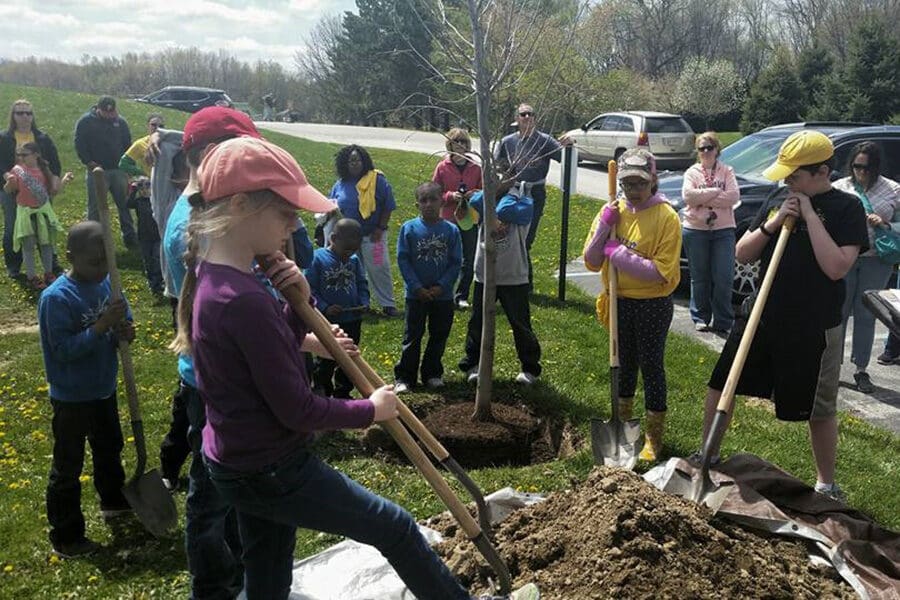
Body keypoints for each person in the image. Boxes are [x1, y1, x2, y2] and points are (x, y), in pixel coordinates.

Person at [174, 136, 538, 600]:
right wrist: (372, 410)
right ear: (242, 205)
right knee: (395, 527)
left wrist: (295, 310)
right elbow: (298, 409)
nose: (293, 226)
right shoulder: (241, 298)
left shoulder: (221, 275)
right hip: (270, 467)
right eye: (285, 214)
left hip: (240, 461)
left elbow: (257, 357)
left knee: (267, 580)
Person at [699, 131, 868, 502]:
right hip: (762, 313)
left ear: (822, 172)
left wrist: (809, 214)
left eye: (795, 175)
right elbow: (743, 254)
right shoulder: (779, 198)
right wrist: (773, 223)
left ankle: (826, 483)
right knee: (722, 383)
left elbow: (837, 267)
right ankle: (706, 454)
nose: (787, 181)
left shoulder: (847, 209)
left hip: (814, 323)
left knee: (819, 407)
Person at [162, 106, 262, 599]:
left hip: (215, 375)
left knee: (226, 490)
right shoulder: (197, 224)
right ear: (209, 158)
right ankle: (214, 588)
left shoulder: (212, 211)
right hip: (214, 381)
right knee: (211, 494)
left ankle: (236, 575)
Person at [39, 221, 135, 558]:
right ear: (71, 257)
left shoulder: (108, 285)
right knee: (68, 463)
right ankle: (66, 534)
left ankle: (113, 501)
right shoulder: (57, 299)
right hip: (72, 396)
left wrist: (124, 330)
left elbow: (124, 322)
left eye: (105, 263)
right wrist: (101, 327)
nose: (101, 270)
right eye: (94, 263)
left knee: (109, 447)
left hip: (102, 388)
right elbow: (63, 351)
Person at [583, 148, 682, 461]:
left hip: (652, 303)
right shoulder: (613, 211)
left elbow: (658, 273)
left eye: (639, 184)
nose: (633, 191)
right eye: (626, 184)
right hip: (619, 301)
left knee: (651, 366)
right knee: (622, 365)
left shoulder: (666, 217)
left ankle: (654, 438)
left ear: (652, 180)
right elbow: (591, 259)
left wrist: (618, 253)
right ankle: (624, 428)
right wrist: (604, 227)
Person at [458, 161, 542, 385]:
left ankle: (530, 368)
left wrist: (498, 197)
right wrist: (490, 194)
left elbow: (506, 210)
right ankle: (473, 363)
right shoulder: (483, 198)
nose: (495, 180)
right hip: (485, 273)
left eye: (501, 176)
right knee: (478, 321)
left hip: (514, 275)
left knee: (520, 323)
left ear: (514, 178)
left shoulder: (525, 200)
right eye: (491, 177)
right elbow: (475, 200)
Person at [833, 142, 900, 393]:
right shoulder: (841, 187)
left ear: (876, 167)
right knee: (838, 312)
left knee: (866, 315)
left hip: (877, 259)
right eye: (856, 166)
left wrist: (884, 224)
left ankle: (861, 370)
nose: (861, 172)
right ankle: (833, 367)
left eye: (866, 167)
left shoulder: (893, 190)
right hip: (845, 255)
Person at [394, 182, 462, 392]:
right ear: (417, 205)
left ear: (442, 200)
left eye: (433, 199)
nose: (429, 204)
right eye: (424, 200)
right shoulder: (409, 228)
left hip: (442, 296)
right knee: (412, 335)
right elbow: (403, 260)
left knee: (439, 334)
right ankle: (405, 377)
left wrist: (442, 286)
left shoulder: (451, 230)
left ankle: (432, 373)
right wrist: (416, 287)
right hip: (416, 296)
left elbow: (455, 262)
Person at [327, 144, 399, 316]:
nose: (355, 163)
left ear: (364, 161)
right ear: (344, 163)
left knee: (379, 267)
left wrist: (380, 228)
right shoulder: (340, 184)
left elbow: (388, 206)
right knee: (353, 270)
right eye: (350, 160)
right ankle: (361, 303)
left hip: (374, 235)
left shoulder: (377, 180)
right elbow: (331, 205)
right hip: (348, 239)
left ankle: (387, 304)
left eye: (358, 160)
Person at [494, 103, 573, 257]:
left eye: (531, 114)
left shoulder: (545, 141)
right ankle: (509, 270)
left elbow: (568, 159)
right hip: (512, 191)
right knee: (508, 233)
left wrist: (570, 147)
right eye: (523, 114)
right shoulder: (507, 141)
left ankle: (524, 275)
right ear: (517, 118)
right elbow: (497, 166)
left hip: (535, 194)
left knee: (527, 237)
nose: (527, 117)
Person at [681, 131, 740, 334]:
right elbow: (688, 196)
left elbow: (733, 196)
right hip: (695, 230)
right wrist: (716, 193)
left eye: (709, 147)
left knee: (724, 276)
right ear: (697, 152)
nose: (706, 152)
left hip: (723, 230)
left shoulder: (727, 171)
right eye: (701, 148)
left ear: (717, 150)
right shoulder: (691, 173)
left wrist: (703, 197)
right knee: (699, 277)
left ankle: (724, 320)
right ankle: (700, 317)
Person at [305, 218, 369, 397]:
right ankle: (322, 389)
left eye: (353, 249)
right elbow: (310, 289)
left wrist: (364, 301)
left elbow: (361, 282)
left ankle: (343, 392)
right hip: (329, 321)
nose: (348, 253)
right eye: (346, 249)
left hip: (352, 318)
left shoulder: (354, 260)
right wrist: (325, 307)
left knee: (349, 358)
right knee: (327, 358)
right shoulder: (317, 259)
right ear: (333, 238)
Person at [0, 99, 63, 278]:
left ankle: (51, 265)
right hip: (12, 190)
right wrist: (7, 176)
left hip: (40, 189)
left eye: (28, 113)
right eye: (20, 113)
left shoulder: (42, 138)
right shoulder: (4, 138)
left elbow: (55, 162)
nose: (25, 117)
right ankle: (14, 266)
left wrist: (56, 179)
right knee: (13, 227)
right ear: (13, 116)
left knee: (46, 227)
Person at [2, 143, 69, 290]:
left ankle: (49, 273)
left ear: (36, 154)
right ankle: (31, 277)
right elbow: (8, 190)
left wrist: (63, 180)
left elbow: (52, 191)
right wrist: (9, 182)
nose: (21, 158)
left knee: (46, 244)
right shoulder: (17, 171)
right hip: (25, 213)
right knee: (28, 246)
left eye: (24, 154)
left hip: (42, 212)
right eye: (19, 155)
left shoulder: (44, 170)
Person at [74, 96, 136, 247]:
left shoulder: (120, 122)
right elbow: (79, 143)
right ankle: (94, 238)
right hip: (97, 171)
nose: (110, 115)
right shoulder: (86, 122)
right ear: (98, 109)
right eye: (106, 112)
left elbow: (128, 144)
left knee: (124, 204)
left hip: (118, 169)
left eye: (112, 111)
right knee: (95, 207)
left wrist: (127, 165)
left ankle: (129, 236)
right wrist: (88, 162)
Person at [432, 128, 482, 309]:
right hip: (448, 219)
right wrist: (450, 196)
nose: (460, 146)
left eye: (463, 142)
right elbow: (434, 192)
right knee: (446, 256)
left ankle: (461, 295)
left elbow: (482, 191)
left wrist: (472, 195)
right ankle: (443, 292)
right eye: (456, 142)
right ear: (450, 144)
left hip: (469, 218)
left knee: (468, 258)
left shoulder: (475, 167)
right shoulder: (442, 167)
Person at [120, 114, 166, 296]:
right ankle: (154, 280)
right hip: (146, 191)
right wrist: (141, 175)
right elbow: (123, 162)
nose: (157, 128)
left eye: (161, 125)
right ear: (148, 126)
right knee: (148, 227)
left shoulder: (167, 143)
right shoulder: (141, 144)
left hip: (163, 189)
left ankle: (163, 276)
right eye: (154, 125)